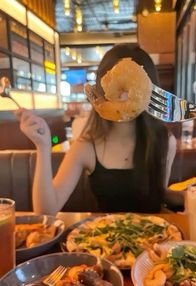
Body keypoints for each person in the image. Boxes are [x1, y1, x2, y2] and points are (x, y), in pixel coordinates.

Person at [17, 43, 183, 215]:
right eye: (116, 84)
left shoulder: (164, 141)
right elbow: (46, 211)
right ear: (101, 89)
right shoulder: (86, 147)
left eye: (134, 85)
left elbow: (159, 193)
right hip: (104, 239)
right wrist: (43, 147)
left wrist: (191, 197)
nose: (124, 96)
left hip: (156, 238)